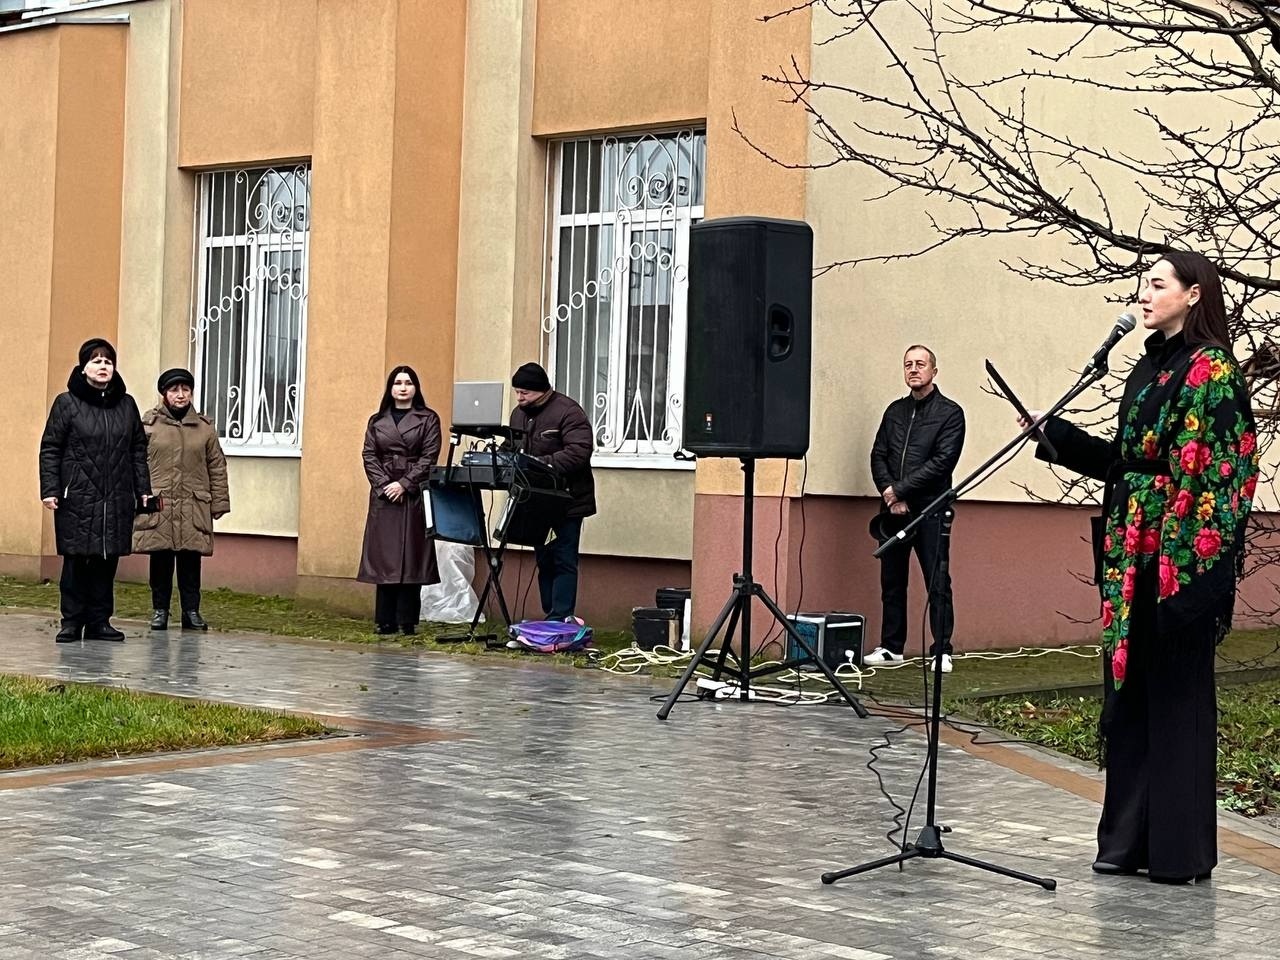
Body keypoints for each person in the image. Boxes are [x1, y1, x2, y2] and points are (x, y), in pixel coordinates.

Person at [1028, 252, 1257, 884]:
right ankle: (1127, 841)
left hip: (1180, 563)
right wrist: (1060, 440)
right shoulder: (1147, 368)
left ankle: (1177, 852)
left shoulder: (1211, 372)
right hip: (1132, 559)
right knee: (1130, 703)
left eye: (1157, 284)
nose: (1144, 294)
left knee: (1175, 705)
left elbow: (1220, 475)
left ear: (1193, 294)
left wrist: (1194, 578)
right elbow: (1132, 463)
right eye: (1144, 284)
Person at [39, 338, 153, 643]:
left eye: (108, 361)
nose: (103, 366)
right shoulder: (67, 403)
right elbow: (51, 447)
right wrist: (50, 488)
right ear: (83, 367)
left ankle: (100, 621)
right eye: (96, 360)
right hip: (77, 494)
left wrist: (143, 489)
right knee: (77, 559)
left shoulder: (126, 405)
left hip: (116, 494)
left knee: (107, 558)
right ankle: (72, 621)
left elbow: (137, 449)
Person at [866, 345, 966, 672]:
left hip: (931, 510)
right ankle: (892, 647)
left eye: (920, 364)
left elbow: (942, 462)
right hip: (894, 510)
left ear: (934, 371)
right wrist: (889, 493)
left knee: (937, 581)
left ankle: (942, 651)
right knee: (892, 581)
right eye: (908, 364)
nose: (913, 369)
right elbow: (878, 454)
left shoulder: (950, 413)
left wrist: (901, 489)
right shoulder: (894, 412)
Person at [133, 368, 231, 631]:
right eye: (174, 390)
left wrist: (220, 501)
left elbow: (217, 465)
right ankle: (160, 611)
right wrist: (136, 496)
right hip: (160, 503)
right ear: (164, 393)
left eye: (185, 389)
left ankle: (191, 612)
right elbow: (137, 463)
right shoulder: (148, 425)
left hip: (193, 504)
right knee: (161, 560)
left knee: (190, 560)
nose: (180, 395)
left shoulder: (204, 429)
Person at [358, 365, 442, 635]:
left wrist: (405, 484)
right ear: (390, 388)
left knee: (411, 555)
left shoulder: (428, 418)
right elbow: (368, 455)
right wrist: (385, 485)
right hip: (384, 497)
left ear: (416, 387)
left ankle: (407, 620)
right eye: (397, 383)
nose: (403, 387)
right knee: (386, 557)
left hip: (412, 494)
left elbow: (430, 456)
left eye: (408, 382)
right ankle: (384, 619)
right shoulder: (376, 421)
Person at [509, 362, 595, 621]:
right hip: (536, 501)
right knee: (544, 558)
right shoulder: (519, 414)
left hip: (568, 500)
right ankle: (550, 613)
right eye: (517, 392)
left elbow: (579, 451)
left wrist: (542, 464)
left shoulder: (568, 411)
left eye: (524, 393)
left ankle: (561, 616)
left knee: (564, 559)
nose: (519, 398)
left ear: (541, 390)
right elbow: (513, 445)